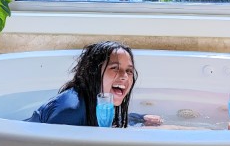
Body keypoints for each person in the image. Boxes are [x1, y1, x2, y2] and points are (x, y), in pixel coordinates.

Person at [25, 41, 162, 127]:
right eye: (115, 68)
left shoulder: (99, 100)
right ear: (93, 72)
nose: (124, 76)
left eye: (129, 71)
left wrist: (138, 119)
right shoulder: (71, 110)